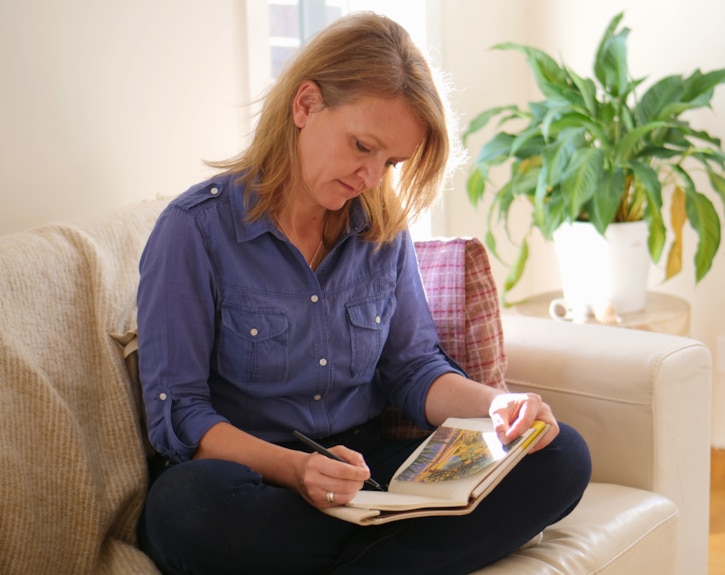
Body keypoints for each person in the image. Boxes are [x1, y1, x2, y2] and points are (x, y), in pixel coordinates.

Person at [136, 12, 591, 575]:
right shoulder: (193, 230)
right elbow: (180, 417)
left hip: (366, 472)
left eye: (390, 161)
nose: (371, 178)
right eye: (362, 145)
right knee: (186, 508)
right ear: (305, 106)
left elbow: (412, 369)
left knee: (562, 455)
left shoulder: (382, 230)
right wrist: (297, 471)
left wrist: (498, 406)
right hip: (257, 477)